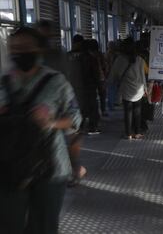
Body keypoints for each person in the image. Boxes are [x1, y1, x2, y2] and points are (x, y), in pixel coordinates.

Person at [0, 27, 81, 234]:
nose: (19, 52)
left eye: (26, 47)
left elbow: (75, 120)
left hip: (50, 167)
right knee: (10, 224)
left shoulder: (56, 82)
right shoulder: (3, 83)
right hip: (9, 165)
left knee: (44, 226)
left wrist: (50, 122)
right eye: (14, 48)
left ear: (38, 50)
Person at [36, 21, 86, 186]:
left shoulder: (58, 55)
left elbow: (71, 78)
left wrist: (76, 102)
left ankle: (75, 170)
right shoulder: (35, 56)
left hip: (65, 102)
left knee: (72, 136)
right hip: (46, 107)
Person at [111, 38, 147, 140]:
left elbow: (114, 74)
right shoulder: (140, 59)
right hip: (138, 89)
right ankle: (137, 132)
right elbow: (142, 75)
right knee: (137, 111)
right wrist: (145, 88)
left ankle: (128, 134)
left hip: (126, 88)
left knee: (128, 111)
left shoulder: (120, 59)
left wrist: (112, 82)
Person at [67, 35, 101, 135]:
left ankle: (78, 127)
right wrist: (98, 85)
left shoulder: (68, 56)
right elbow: (95, 73)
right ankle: (92, 127)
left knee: (78, 107)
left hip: (74, 87)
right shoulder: (90, 57)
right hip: (89, 87)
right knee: (92, 107)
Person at [87, 39, 109, 117]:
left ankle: (95, 113)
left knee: (93, 97)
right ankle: (103, 111)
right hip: (101, 78)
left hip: (91, 79)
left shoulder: (87, 56)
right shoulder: (100, 54)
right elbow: (105, 66)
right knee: (102, 95)